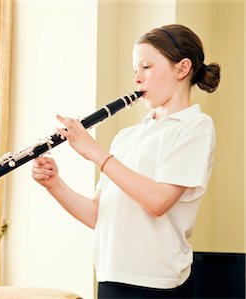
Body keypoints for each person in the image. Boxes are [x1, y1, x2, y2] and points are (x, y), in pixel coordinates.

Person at [31, 24, 220, 299]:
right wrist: (54, 184)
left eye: (146, 67)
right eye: (135, 70)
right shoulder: (128, 136)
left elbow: (158, 201)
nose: (137, 79)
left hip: (159, 283)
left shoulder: (195, 126)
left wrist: (96, 153)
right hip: (111, 275)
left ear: (182, 69)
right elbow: (98, 214)